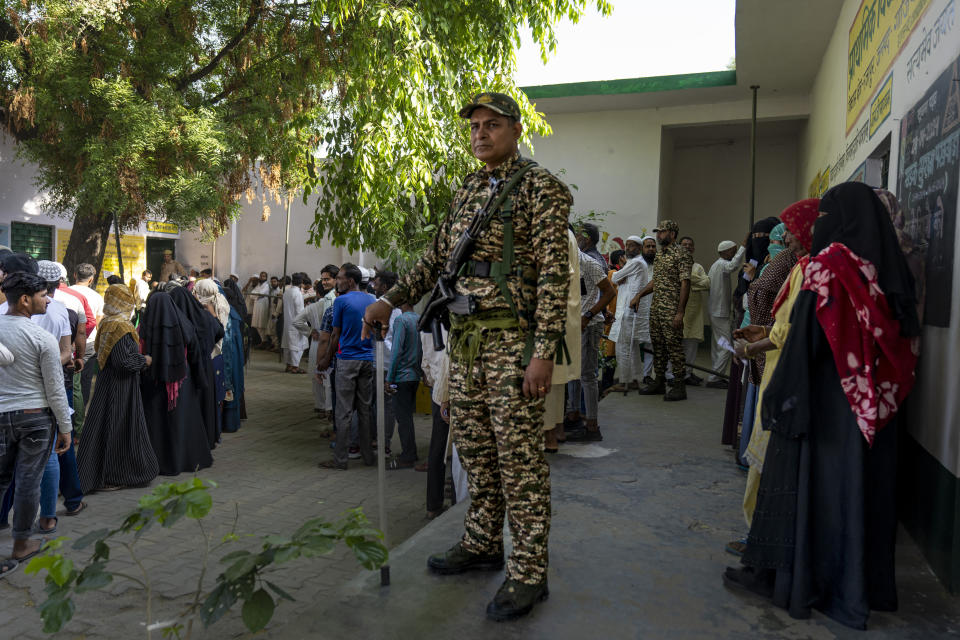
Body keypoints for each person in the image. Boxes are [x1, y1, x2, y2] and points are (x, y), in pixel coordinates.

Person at [364, 92, 570, 620]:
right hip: (467, 342)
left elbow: (553, 274)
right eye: (475, 126)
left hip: (512, 344)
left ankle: (528, 571)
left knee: (519, 462)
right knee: (476, 453)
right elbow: (436, 257)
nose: (480, 133)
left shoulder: (540, 189)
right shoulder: (469, 189)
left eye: (492, 124)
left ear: (516, 129)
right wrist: (390, 298)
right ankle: (482, 543)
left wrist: (543, 351)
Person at [724, 183, 920, 630]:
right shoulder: (890, 271)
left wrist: (778, 400)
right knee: (859, 500)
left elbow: (806, 345)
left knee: (814, 496)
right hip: (873, 415)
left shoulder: (829, 268)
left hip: (825, 407)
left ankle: (803, 583)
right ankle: (856, 589)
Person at [723, 199, 819, 556]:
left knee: (772, 464)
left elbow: (791, 328)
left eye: (791, 232)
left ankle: (763, 540)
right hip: (775, 362)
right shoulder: (799, 264)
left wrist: (756, 344)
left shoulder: (809, 269)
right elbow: (782, 323)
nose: (788, 240)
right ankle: (758, 533)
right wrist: (761, 330)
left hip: (783, 372)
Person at [0, 271, 72, 574]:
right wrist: (66, 428)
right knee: (28, 483)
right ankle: (21, 545)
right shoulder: (41, 337)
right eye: (44, 295)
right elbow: (55, 388)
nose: (49, 299)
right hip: (35, 419)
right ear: (26, 299)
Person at [77, 285, 158, 492]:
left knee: (101, 426)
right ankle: (113, 475)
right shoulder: (121, 327)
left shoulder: (106, 322)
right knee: (117, 427)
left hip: (106, 382)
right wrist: (145, 360)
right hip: (119, 387)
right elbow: (124, 361)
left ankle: (94, 474)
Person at [140, 291, 214, 475]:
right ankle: (184, 460)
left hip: (153, 383)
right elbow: (196, 354)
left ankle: (155, 463)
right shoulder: (185, 324)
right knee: (181, 423)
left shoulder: (144, 327)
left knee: (156, 425)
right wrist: (200, 381)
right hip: (182, 383)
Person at [317, 264, 377, 469]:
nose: (337, 281)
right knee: (365, 410)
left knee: (343, 412)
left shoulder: (341, 301)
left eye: (340, 278)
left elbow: (335, 335)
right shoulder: (372, 299)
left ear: (350, 281)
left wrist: (325, 359)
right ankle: (368, 457)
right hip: (368, 360)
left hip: (347, 360)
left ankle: (340, 459)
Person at [635, 220, 692, 400]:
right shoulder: (660, 255)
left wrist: (680, 312)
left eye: (663, 231)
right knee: (658, 346)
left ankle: (679, 386)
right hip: (657, 308)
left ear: (672, 234)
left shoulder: (681, 254)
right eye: (658, 232)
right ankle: (658, 382)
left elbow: (685, 283)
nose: (659, 235)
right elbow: (656, 281)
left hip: (671, 310)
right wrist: (639, 295)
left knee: (674, 348)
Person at [564, 245, 615, 442]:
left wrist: (590, 314)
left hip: (588, 325)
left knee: (587, 374)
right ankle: (573, 415)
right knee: (572, 373)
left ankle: (592, 426)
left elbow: (609, 292)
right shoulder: (564, 261)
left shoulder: (588, 263)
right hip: (572, 325)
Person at [169, 285, 223, 449]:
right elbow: (220, 332)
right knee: (206, 402)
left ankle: (192, 440)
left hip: (186, 369)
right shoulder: (205, 316)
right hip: (206, 366)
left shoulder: (176, 320)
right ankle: (208, 437)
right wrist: (213, 315)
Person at [608, 235, 651, 392]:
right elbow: (619, 279)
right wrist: (623, 274)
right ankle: (635, 379)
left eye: (632, 245)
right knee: (631, 348)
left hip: (628, 311)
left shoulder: (637, 262)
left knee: (623, 347)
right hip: (628, 310)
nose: (628, 248)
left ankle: (624, 382)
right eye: (627, 245)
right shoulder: (635, 263)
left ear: (639, 248)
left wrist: (622, 274)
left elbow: (615, 277)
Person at [385, 302, 422, 469]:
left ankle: (408, 455)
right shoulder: (419, 319)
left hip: (402, 376)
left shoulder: (401, 320)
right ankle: (410, 451)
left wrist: (389, 377)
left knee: (403, 418)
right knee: (407, 416)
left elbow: (396, 351)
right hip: (414, 375)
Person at [706, 240, 745, 388]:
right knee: (725, 346)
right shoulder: (722, 265)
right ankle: (714, 378)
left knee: (718, 345)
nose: (734, 253)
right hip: (720, 312)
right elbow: (733, 266)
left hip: (715, 311)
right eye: (733, 251)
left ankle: (717, 375)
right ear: (725, 251)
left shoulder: (716, 265)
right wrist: (743, 247)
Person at [70, 263, 105, 408]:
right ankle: (80, 415)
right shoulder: (97, 297)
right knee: (85, 380)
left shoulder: (65, 292)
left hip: (67, 342)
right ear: (91, 280)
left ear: (75, 275)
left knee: (67, 379)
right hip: (89, 344)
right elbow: (98, 323)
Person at [677, 236, 711, 386]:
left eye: (690, 245)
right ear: (679, 247)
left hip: (695, 311)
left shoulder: (697, 266)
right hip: (678, 310)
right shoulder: (675, 264)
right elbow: (679, 282)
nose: (688, 247)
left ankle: (688, 374)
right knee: (677, 343)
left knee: (691, 344)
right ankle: (674, 375)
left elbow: (707, 283)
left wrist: (689, 282)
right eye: (684, 244)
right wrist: (693, 282)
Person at [282, 273, 309, 373]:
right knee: (297, 345)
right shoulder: (297, 293)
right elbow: (300, 311)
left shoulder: (287, 292)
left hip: (287, 322)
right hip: (296, 323)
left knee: (288, 345)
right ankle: (295, 367)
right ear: (301, 283)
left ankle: (288, 365)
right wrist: (304, 325)